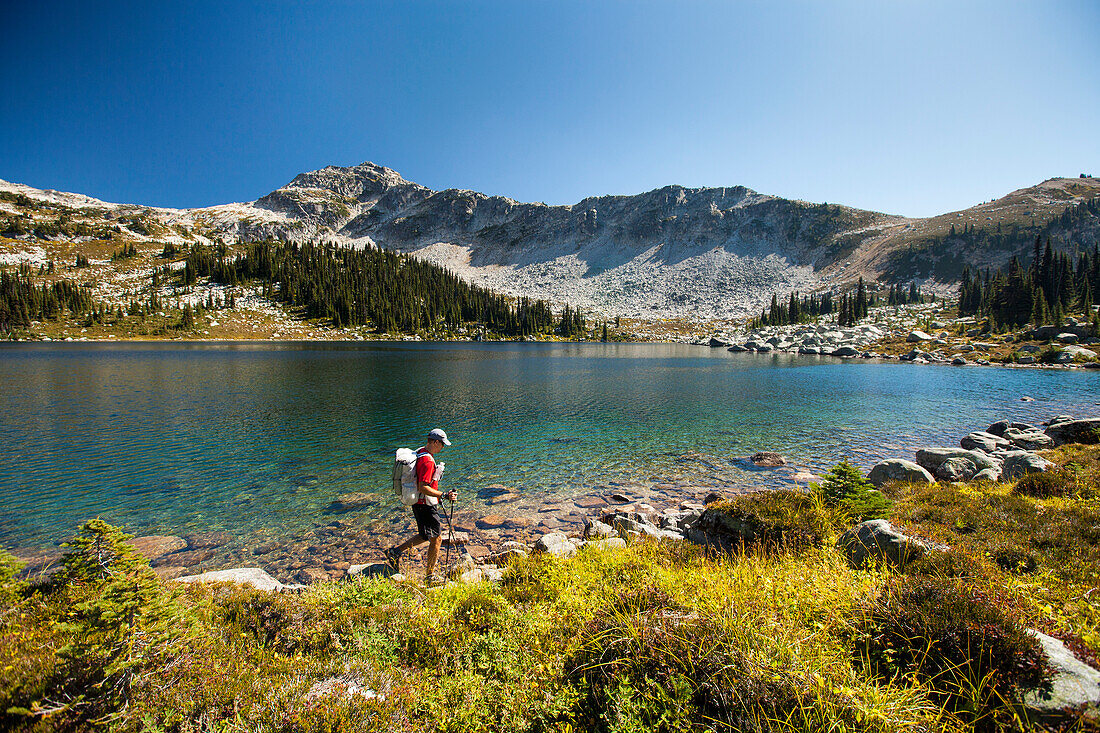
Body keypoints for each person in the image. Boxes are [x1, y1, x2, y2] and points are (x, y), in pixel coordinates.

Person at [385, 428, 457, 584]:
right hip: (425, 503)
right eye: (442, 444)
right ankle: (429, 576)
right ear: (436, 442)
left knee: (425, 535)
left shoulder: (421, 452)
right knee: (436, 539)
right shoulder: (428, 460)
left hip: (419, 503)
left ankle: (395, 552)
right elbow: (422, 487)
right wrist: (443, 495)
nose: (442, 448)